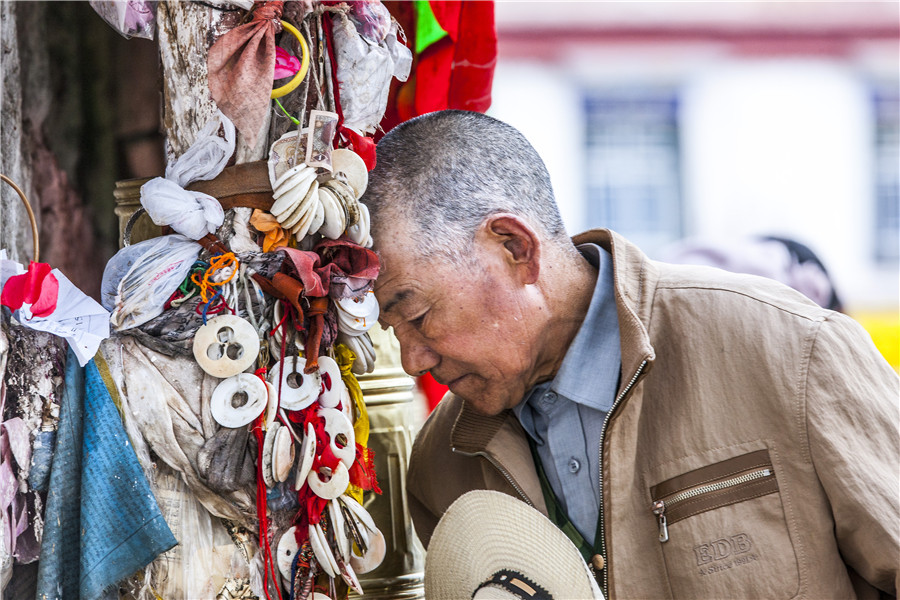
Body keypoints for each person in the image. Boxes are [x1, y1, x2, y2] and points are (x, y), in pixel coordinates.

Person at [362, 110, 899, 599]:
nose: (412, 361)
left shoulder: (793, 350)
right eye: (393, 331)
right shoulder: (442, 466)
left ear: (514, 248)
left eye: (417, 316)